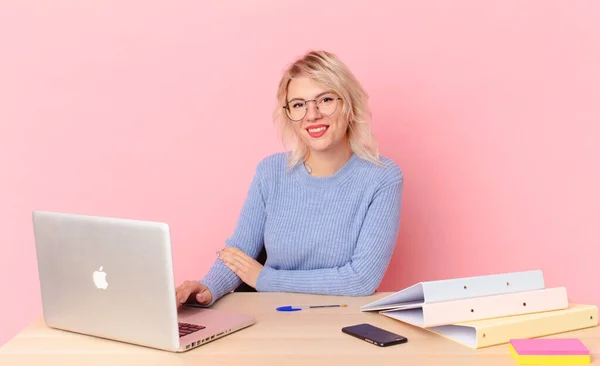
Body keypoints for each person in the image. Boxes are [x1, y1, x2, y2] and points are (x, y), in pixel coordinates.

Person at [175, 50, 404, 307]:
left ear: (349, 105)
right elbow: (239, 252)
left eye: (325, 99)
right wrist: (207, 288)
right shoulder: (271, 172)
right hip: (272, 319)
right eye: (298, 105)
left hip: (342, 322)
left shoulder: (382, 178)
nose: (312, 114)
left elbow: (361, 280)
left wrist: (266, 279)